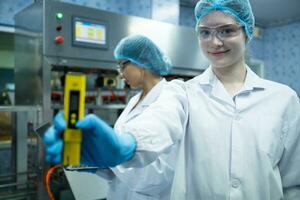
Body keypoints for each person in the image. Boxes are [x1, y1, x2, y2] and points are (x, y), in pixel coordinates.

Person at [44, 0, 300, 199]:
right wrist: (127, 145)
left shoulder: (283, 100)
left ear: (247, 32)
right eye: (205, 32)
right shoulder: (182, 92)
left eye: (226, 30)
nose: (215, 41)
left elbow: (292, 184)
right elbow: (159, 122)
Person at [44, 35, 178, 200]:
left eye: (122, 66)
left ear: (141, 61)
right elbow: (120, 171)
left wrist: (117, 155)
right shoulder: (135, 99)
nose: (121, 74)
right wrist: (98, 164)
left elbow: (156, 178)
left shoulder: (171, 96)